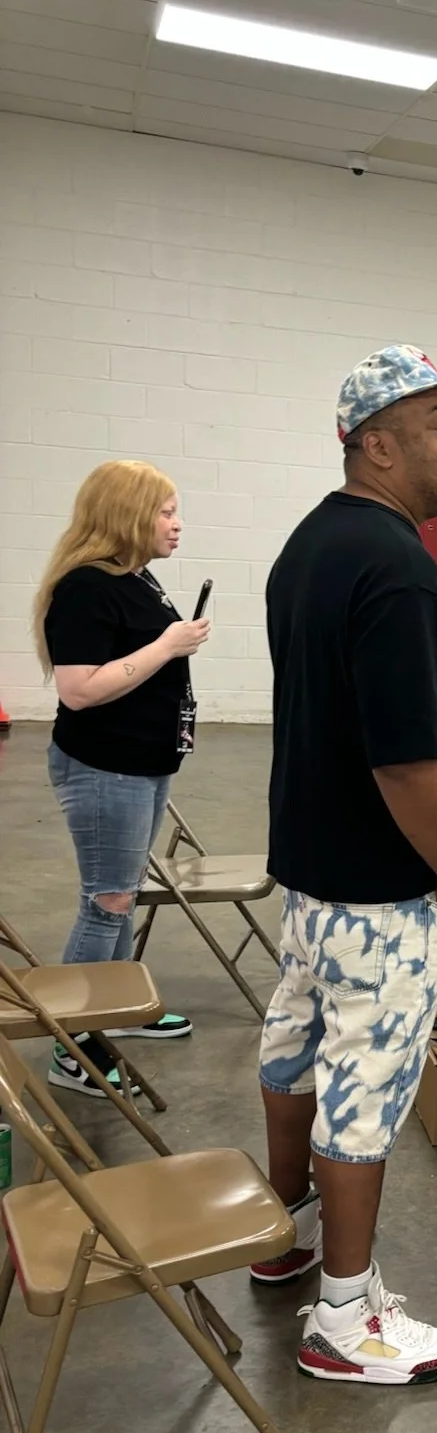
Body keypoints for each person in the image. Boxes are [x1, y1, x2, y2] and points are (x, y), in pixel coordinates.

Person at [256, 344, 437, 1388]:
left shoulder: (311, 545)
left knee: (295, 1041)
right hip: (383, 884)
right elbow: (406, 757)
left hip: (314, 869)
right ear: (380, 444)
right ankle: (344, 1318)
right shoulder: (396, 568)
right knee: (367, 1083)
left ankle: (284, 1232)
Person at [33, 460, 210, 1093]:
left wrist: (171, 641)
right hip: (106, 767)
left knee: (121, 892)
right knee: (106, 900)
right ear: (126, 516)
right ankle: (72, 1046)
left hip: (141, 762)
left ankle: (115, 1007)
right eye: (165, 511)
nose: (176, 523)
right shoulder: (87, 586)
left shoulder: (137, 579)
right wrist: (167, 645)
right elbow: (79, 691)